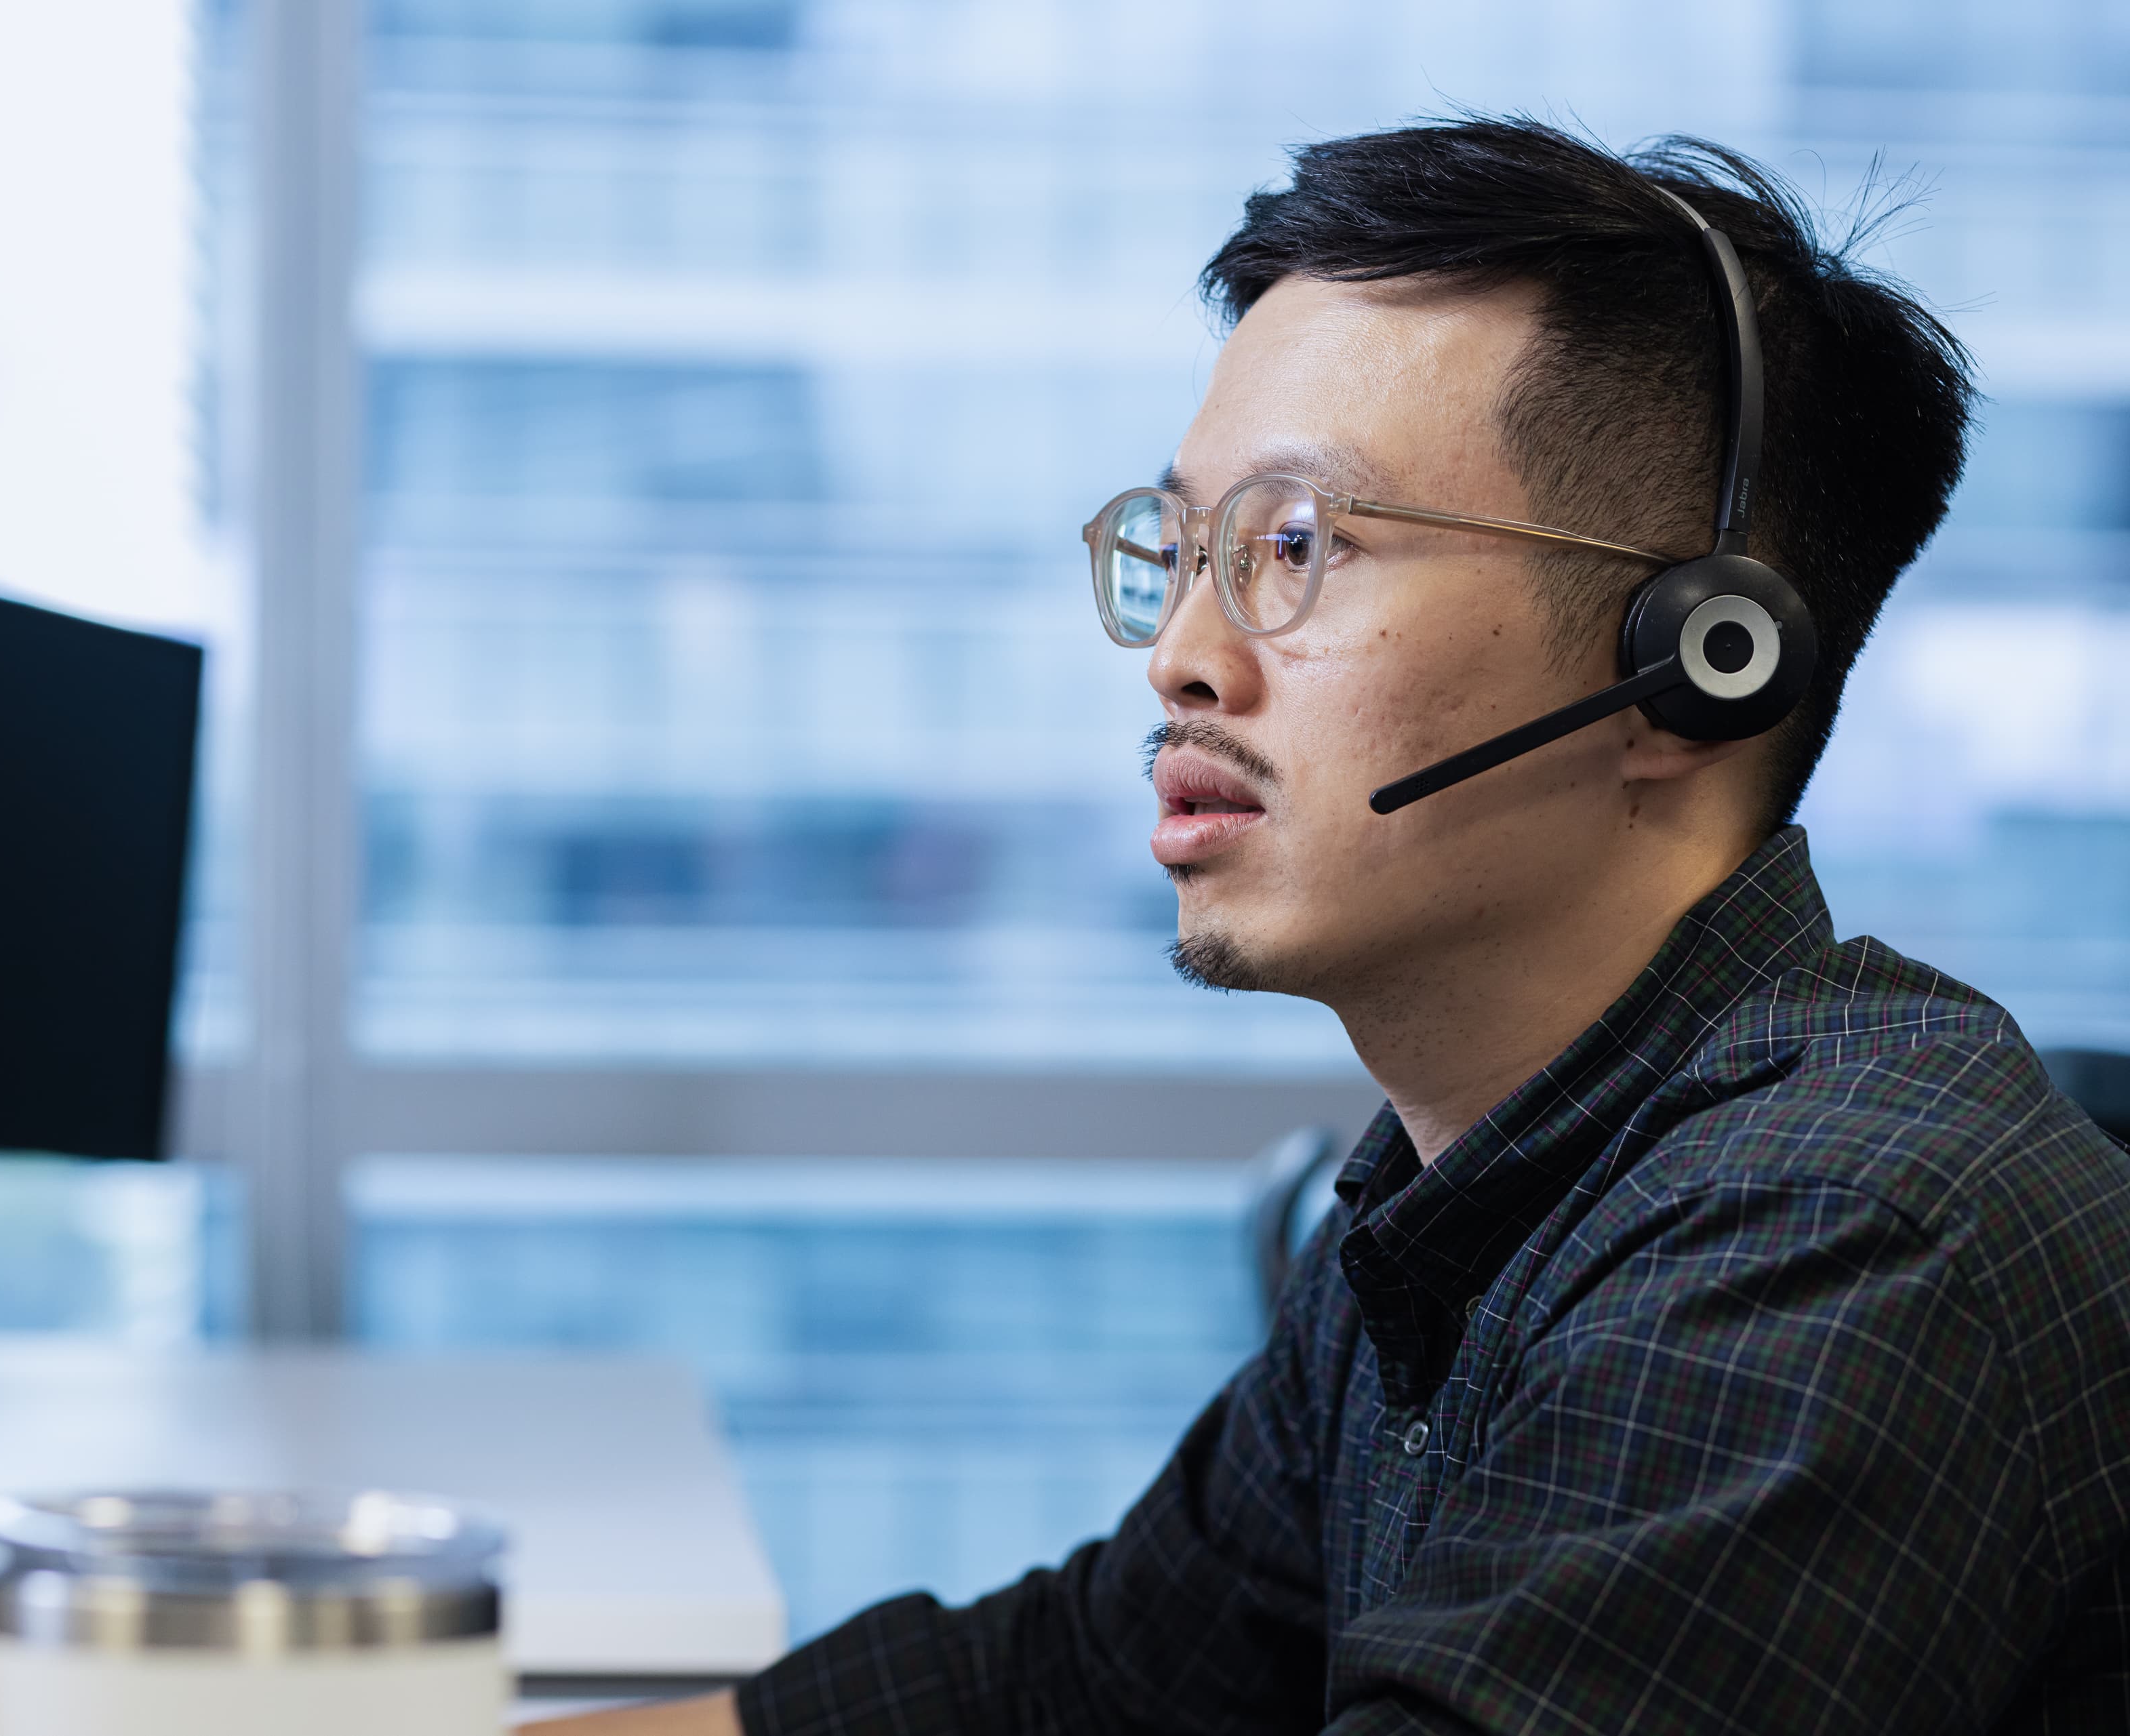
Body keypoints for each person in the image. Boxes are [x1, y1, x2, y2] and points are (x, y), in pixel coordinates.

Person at [538, 117, 2130, 1734]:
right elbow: (1077, 1687)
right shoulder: (1463, 1194)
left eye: (1299, 547)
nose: (1182, 657)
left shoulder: (1840, 1246)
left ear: (1691, 668)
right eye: (1189, 551)